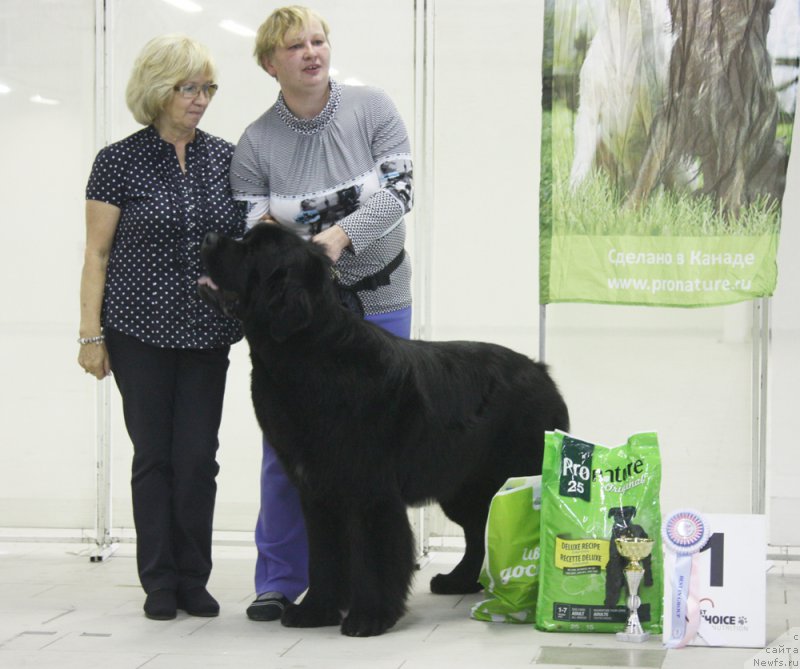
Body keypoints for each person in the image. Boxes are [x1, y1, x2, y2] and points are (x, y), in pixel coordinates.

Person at [230, 5, 414, 621]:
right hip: (299, 322)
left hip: (380, 300)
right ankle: (281, 579)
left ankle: (375, 580)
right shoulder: (256, 141)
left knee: (373, 456)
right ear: (269, 63)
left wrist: (337, 238)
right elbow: (252, 227)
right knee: (291, 455)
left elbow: (400, 190)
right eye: (294, 46)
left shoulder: (372, 108)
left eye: (318, 40)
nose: (311, 52)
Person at [77, 34, 245, 621]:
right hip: (136, 331)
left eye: (207, 88)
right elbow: (97, 255)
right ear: (158, 90)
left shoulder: (227, 157)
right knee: (155, 456)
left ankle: (194, 576)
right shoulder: (117, 161)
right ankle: (159, 582)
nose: (201, 99)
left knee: (199, 457)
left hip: (206, 334)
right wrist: (90, 335)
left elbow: (245, 244)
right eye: (188, 88)